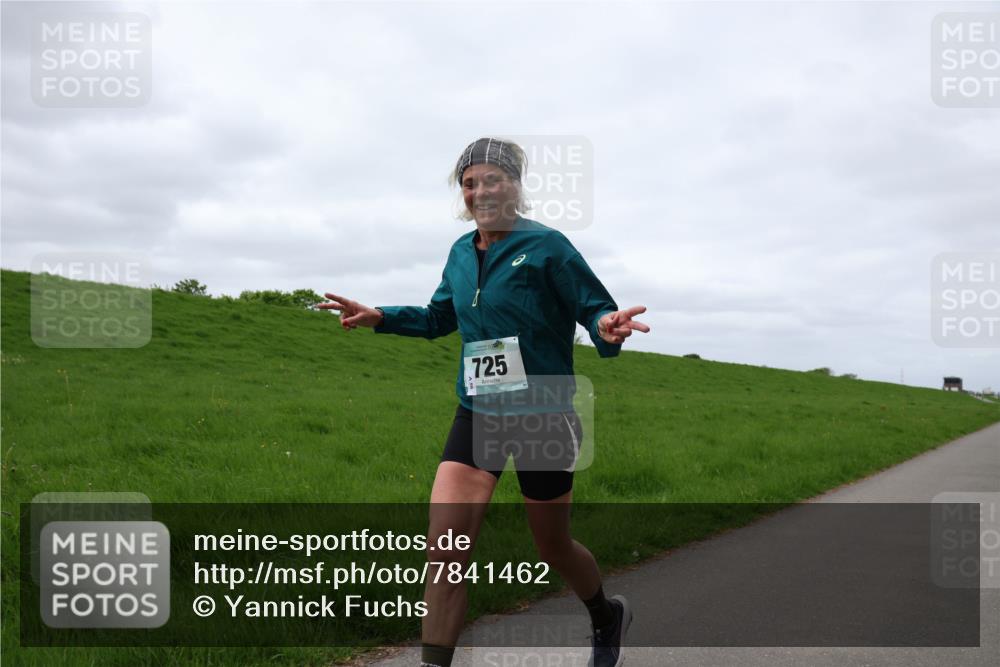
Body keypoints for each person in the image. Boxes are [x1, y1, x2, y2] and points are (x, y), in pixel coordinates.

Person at [320, 138, 649, 667]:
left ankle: (606, 615)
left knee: (552, 547)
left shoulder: (549, 247)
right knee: (445, 554)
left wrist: (608, 327)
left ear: (515, 186)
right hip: (478, 411)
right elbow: (438, 317)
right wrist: (381, 316)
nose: (479, 191)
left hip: (543, 412)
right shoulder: (458, 252)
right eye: (469, 183)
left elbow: (595, 310)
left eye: (491, 179)